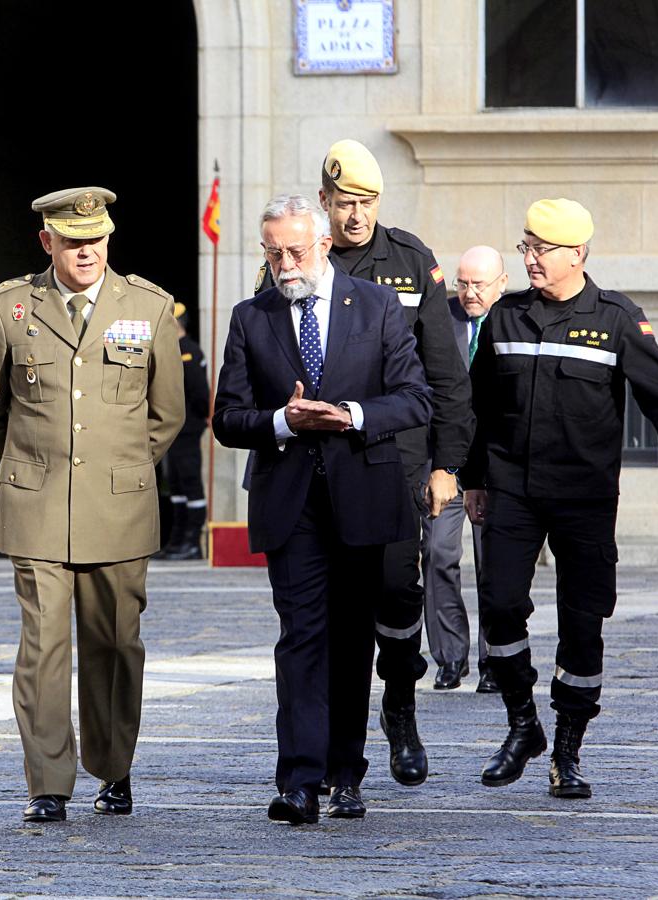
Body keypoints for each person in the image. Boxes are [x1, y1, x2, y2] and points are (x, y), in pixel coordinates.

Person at [462, 198, 658, 798]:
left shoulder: (615, 319)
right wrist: (472, 477)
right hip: (512, 491)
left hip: (583, 496)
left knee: (583, 624)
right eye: (526, 246)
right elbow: (477, 407)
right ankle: (522, 724)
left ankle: (567, 749)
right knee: (501, 604)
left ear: (577, 254)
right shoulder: (505, 318)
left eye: (542, 249)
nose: (530, 259)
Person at [212, 195, 431, 825]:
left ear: (325, 245)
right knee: (300, 637)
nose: (285, 263)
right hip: (291, 500)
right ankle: (299, 781)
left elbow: (414, 398)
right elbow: (229, 417)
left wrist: (351, 416)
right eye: (274, 251)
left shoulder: (379, 305)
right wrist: (283, 420)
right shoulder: (251, 317)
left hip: (363, 492)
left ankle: (346, 773)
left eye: (296, 251)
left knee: (351, 638)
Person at [0, 187, 184, 822]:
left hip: (119, 506)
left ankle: (113, 769)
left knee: (116, 643)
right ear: (48, 242)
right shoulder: (10, 307)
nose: (87, 250)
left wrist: (116, 469)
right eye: (72, 240)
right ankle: (47, 782)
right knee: (43, 647)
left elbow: (166, 413)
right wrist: (36, 466)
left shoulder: (146, 306)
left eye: (96, 239)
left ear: (109, 239)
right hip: (37, 506)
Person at [317, 139, 473, 788]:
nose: (356, 215)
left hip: (396, 461)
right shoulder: (302, 257)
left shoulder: (411, 262)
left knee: (396, 589)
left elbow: (447, 374)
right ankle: (329, 746)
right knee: (325, 609)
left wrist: (446, 466)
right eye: (345, 202)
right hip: (321, 463)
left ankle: (400, 704)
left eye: (368, 202)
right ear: (324, 202)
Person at [422, 245, 508, 693]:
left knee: (495, 565)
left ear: (502, 283)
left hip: (496, 469)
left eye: (479, 284)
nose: (469, 292)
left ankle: (496, 657)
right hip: (447, 466)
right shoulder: (440, 319)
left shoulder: (514, 321)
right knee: (438, 554)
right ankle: (450, 657)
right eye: (463, 283)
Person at [153, 300, 210, 560]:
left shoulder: (188, 351)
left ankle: (192, 543)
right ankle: (176, 541)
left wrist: (202, 417)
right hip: (172, 429)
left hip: (187, 428)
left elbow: (200, 392)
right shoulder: (170, 349)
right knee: (175, 484)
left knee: (189, 483)